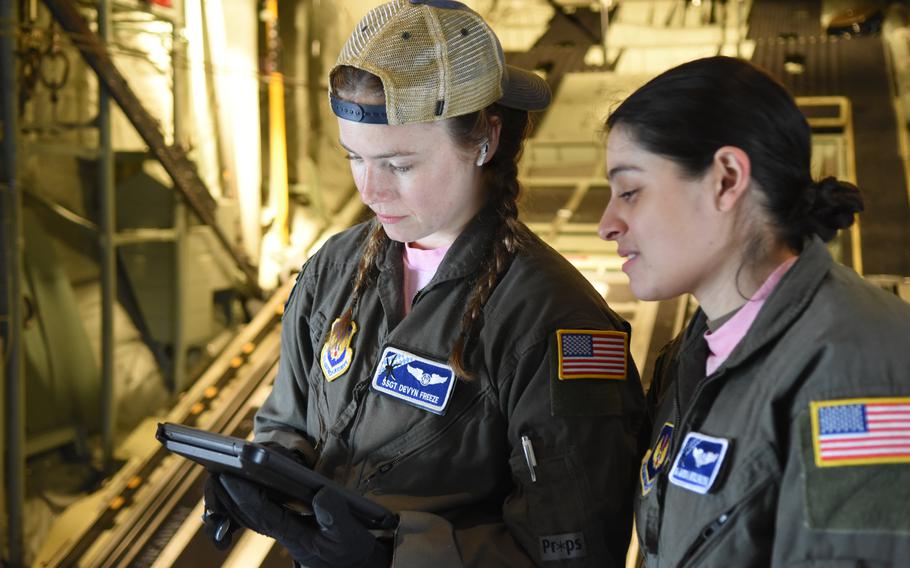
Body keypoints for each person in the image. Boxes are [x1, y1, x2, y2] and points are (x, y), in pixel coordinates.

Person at [202, 1, 647, 566]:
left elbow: (571, 548)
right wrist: (262, 476)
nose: (370, 190)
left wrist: (392, 553)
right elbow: (287, 422)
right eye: (354, 158)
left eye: (399, 165)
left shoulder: (557, 321)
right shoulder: (332, 270)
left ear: (484, 140)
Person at [598, 55, 910, 566]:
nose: (607, 224)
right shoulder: (692, 355)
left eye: (630, 191)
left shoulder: (861, 369)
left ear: (725, 178)